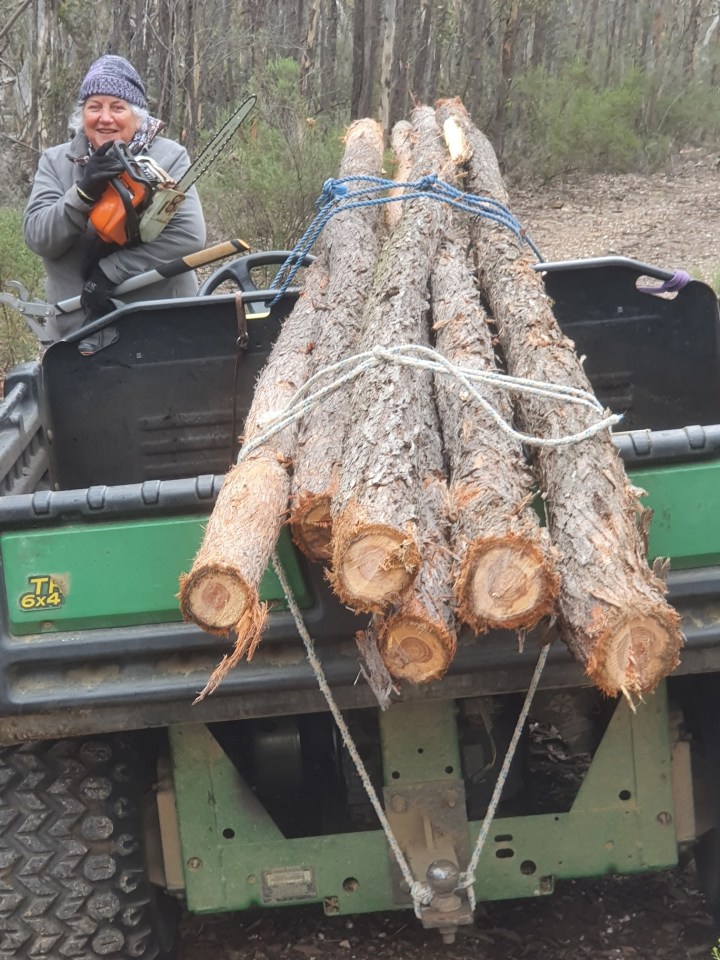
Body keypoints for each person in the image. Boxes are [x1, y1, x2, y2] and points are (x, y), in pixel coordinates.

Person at [23, 54, 207, 354]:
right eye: (94, 107)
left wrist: (112, 270)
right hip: (76, 333)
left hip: (161, 328)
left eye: (117, 107)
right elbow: (38, 237)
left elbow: (188, 234)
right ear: (82, 114)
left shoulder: (169, 157)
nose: (105, 118)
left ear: (137, 116)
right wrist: (83, 194)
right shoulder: (56, 162)